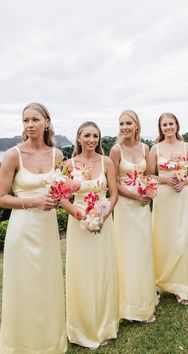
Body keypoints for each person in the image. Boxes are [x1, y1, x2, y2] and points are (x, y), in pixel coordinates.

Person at [0, 103, 67, 353]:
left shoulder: (57, 155)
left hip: (48, 229)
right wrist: (34, 201)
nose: (30, 125)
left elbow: (61, 192)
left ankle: (49, 342)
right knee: (23, 286)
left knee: (47, 284)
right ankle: (20, 344)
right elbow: (1, 197)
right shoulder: (12, 155)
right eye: (26, 120)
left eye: (35, 119)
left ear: (46, 122)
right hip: (22, 229)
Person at [61, 121, 119, 350]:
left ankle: (105, 324)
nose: (92, 140)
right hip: (79, 223)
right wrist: (80, 216)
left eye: (95, 136)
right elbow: (61, 197)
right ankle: (82, 327)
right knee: (82, 273)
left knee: (103, 271)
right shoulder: (68, 165)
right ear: (78, 138)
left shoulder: (106, 162)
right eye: (87, 135)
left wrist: (103, 216)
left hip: (103, 221)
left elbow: (113, 194)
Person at [110, 109, 157, 322]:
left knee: (143, 249)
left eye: (129, 123)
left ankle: (145, 300)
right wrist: (135, 196)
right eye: (121, 124)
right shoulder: (116, 151)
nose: (125, 127)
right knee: (127, 252)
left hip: (142, 206)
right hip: (126, 208)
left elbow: (149, 175)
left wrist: (148, 191)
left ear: (136, 125)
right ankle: (127, 305)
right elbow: (114, 185)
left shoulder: (145, 147)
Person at [150, 112, 188, 305]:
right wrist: (166, 180)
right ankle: (161, 283)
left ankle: (182, 286)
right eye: (164, 124)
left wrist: (184, 182)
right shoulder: (155, 148)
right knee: (164, 239)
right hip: (163, 197)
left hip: (181, 195)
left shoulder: (187, 146)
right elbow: (149, 175)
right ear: (160, 128)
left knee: (182, 238)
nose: (168, 127)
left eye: (171, 123)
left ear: (177, 125)